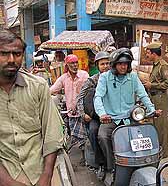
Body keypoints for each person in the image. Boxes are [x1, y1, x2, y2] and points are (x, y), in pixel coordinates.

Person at [0, 30, 64, 186]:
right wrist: (6, 181)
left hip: (39, 169)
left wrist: (46, 177)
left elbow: (53, 134)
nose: (11, 59)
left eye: (17, 54)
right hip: (6, 169)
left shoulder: (38, 86)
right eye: (4, 54)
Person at [94, 48, 161, 178]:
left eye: (126, 63)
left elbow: (143, 95)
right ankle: (110, 166)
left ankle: (142, 163)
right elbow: (98, 97)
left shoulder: (133, 77)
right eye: (120, 64)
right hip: (111, 120)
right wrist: (102, 114)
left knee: (143, 138)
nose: (123, 66)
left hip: (130, 119)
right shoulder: (105, 77)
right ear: (114, 64)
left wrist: (152, 110)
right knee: (102, 136)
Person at [76, 51, 111, 179]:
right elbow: (80, 98)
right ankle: (101, 163)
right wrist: (83, 113)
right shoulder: (92, 80)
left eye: (108, 63)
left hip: (113, 115)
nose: (106, 66)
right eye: (103, 64)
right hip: (96, 117)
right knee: (93, 131)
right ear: (97, 65)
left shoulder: (116, 78)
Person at [50, 54, 89, 161]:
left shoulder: (84, 75)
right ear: (67, 65)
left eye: (76, 63)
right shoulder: (63, 78)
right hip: (71, 112)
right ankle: (81, 155)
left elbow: (89, 91)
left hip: (83, 111)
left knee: (84, 136)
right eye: (72, 63)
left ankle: (85, 156)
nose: (75, 65)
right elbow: (53, 89)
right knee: (75, 135)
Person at [144, 42, 168, 158]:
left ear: (154, 53)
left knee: (161, 125)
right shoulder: (156, 65)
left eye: (148, 53)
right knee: (155, 124)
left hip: (160, 98)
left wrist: (152, 85)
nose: (147, 55)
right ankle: (158, 148)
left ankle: (163, 152)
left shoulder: (163, 66)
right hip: (154, 97)